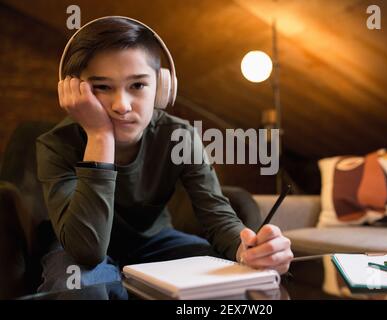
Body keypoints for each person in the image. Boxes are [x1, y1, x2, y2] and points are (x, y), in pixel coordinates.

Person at [36, 16, 293, 293]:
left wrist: (249, 250)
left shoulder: (179, 136)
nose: (121, 106)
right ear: (74, 91)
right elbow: (87, 251)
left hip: (155, 241)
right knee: (74, 286)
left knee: (221, 273)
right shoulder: (55, 144)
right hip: (76, 245)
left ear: (162, 87)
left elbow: (217, 216)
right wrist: (100, 136)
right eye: (102, 87)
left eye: (137, 86)